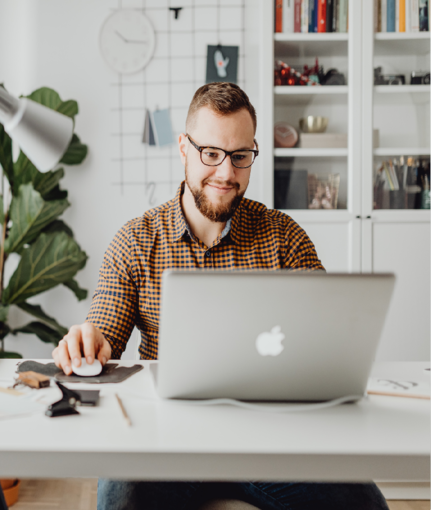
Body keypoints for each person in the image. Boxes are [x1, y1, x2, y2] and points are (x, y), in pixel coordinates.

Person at [52, 83, 389, 510]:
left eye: (240, 156)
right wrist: (88, 341)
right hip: (164, 441)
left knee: (366, 505)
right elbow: (103, 333)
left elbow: (328, 344)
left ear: (252, 154)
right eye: (211, 153)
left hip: (274, 439)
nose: (226, 173)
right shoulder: (136, 241)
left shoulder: (284, 238)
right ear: (184, 149)